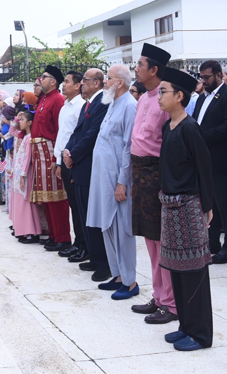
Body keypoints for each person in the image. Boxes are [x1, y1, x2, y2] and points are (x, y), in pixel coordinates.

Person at [157, 67, 215, 351]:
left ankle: (201, 334)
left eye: (163, 91)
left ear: (179, 96)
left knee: (193, 271)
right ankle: (186, 326)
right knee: (176, 270)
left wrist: (208, 206)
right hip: (169, 207)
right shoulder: (167, 127)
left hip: (190, 206)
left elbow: (205, 168)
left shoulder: (190, 128)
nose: (158, 96)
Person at [130, 43, 176, 324]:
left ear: (154, 70)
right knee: (150, 240)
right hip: (139, 172)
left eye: (140, 64)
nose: (136, 68)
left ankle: (170, 303)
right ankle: (159, 297)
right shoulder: (146, 97)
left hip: (156, 173)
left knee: (162, 241)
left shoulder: (165, 100)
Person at [87, 64, 139, 300]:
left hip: (118, 179)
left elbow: (129, 147)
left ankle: (130, 282)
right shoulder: (112, 103)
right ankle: (118, 275)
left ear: (120, 82)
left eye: (108, 79)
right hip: (102, 177)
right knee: (107, 226)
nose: (105, 82)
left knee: (122, 229)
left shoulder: (129, 105)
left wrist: (122, 182)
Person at [64, 68, 111, 281]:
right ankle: (93, 255)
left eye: (86, 80)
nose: (82, 83)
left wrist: (73, 154)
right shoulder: (89, 103)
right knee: (84, 214)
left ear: (97, 83)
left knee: (94, 217)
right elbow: (77, 132)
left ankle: (103, 262)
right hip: (79, 165)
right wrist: (67, 151)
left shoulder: (102, 102)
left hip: (89, 164)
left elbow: (92, 135)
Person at [192, 60, 227, 264]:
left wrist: (201, 136)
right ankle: (212, 244)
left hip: (220, 159)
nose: (204, 81)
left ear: (219, 75)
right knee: (209, 205)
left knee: (226, 205)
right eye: (202, 77)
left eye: (207, 77)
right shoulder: (202, 98)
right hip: (203, 160)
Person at [30, 66, 72, 252]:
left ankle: (63, 237)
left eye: (44, 77)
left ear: (53, 81)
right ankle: (54, 235)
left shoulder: (58, 100)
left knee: (57, 196)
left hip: (50, 150)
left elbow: (59, 131)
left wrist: (57, 158)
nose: (41, 80)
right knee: (47, 197)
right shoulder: (44, 99)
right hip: (39, 151)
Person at [53, 70, 87, 261]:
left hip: (74, 161)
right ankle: (77, 242)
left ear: (77, 85)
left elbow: (77, 137)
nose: (63, 85)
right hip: (64, 161)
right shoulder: (65, 106)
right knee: (73, 205)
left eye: (66, 82)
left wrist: (68, 159)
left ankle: (84, 245)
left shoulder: (81, 106)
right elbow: (61, 136)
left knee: (79, 205)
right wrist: (58, 161)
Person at [11, 110, 42, 243]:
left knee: (26, 201)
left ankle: (31, 232)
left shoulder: (30, 138)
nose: (20, 122)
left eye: (22, 120)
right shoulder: (24, 136)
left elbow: (28, 157)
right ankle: (23, 230)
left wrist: (23, 174)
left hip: (25, 174)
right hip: (19, 173)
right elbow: (13, 129)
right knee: (20, 200)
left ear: (29, 123)